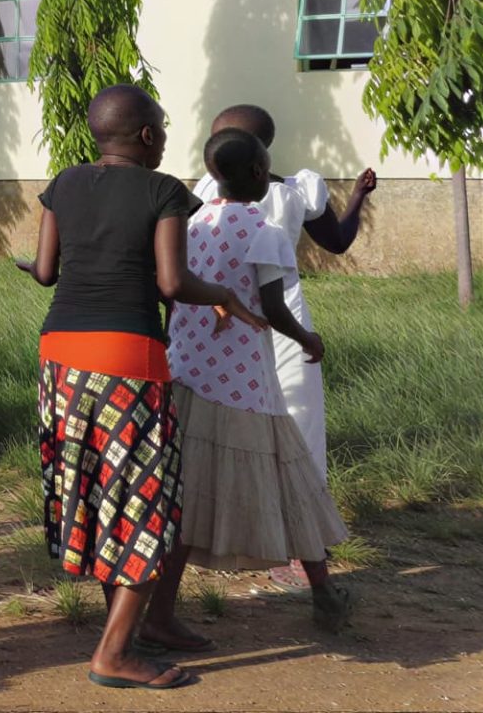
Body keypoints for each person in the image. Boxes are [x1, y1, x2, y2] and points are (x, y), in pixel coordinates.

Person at [19, 84, 266, 691]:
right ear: (149, 136)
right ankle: (113, 653)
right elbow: (173, 282)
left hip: (60, 358)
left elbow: (46, 272)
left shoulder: (64, 184)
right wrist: (226, 295)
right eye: (162, 125)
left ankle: (124, 628)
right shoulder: (164, 191)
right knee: (147, 501)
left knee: (103, 494)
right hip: (128, 357)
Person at [149, 128, 353, 645]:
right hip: (243, 382)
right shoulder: (266, 230)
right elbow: (275, 306)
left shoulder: (191, 222)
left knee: (184, 494)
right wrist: (310, 338)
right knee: (293, 481)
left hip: (187, 371)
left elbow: (171, 291)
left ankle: (159, 612)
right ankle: (324, 592)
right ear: (261, 175)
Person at [190, 103, 376, 589]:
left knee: (225, 430)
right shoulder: (297, 192)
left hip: (220, 323)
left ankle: (225, 532)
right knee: (299, 431)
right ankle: (298, 551)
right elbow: (337, 241)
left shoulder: (206, 192)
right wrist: (356, 197)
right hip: (286, 321)